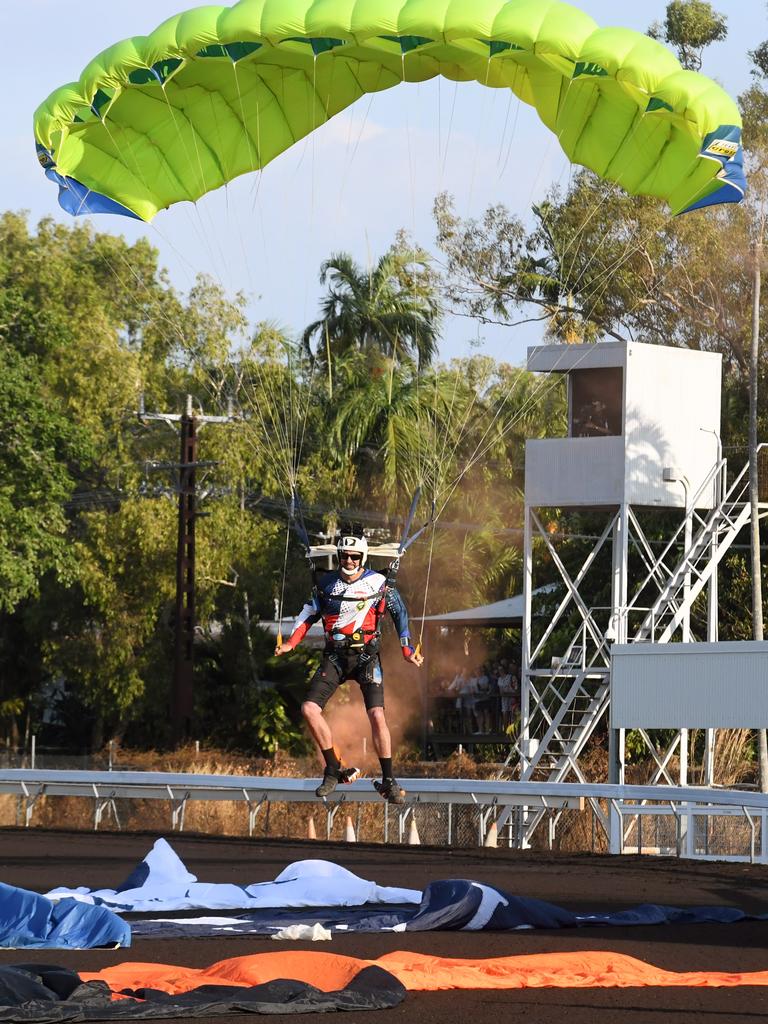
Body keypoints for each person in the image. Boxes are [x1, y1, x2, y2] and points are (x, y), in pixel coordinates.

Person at [275, 531, 423, 804]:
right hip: (335, 657)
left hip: (367, 657)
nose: (350, 561)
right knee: (309, 708)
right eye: (345, 556)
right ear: (339, 556)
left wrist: (407, 649)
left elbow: (400, 613)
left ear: (363, 557)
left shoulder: (378, 583)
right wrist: (291, 643)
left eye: (355, 556)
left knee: (377, 715)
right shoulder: (326, 584)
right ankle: (333, 768)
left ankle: (389, 780)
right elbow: (308, 614)